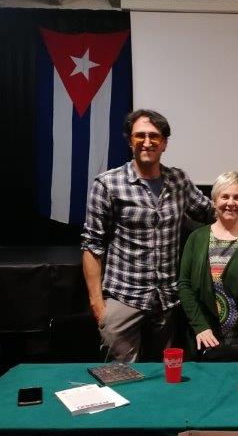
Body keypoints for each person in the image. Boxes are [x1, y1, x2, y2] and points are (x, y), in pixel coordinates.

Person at [81, 109, 213, 362]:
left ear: (164, 143)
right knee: (120, 376)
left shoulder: (178, 181)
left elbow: (210, 212)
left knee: (164, 376)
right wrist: (98, 305)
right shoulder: (108, 184)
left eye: (154, 136)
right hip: (124, 298)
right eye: (140, 135)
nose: (147, 141)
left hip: (167, 302)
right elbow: (92, 245)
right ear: (130, 141)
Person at [178, 171, 238, 355]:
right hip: (207, 338)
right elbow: (184, 285)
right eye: (225, 197)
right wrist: (200, 326)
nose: (231, 202)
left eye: (237, 197)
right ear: (214, 201)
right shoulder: (196, 238)